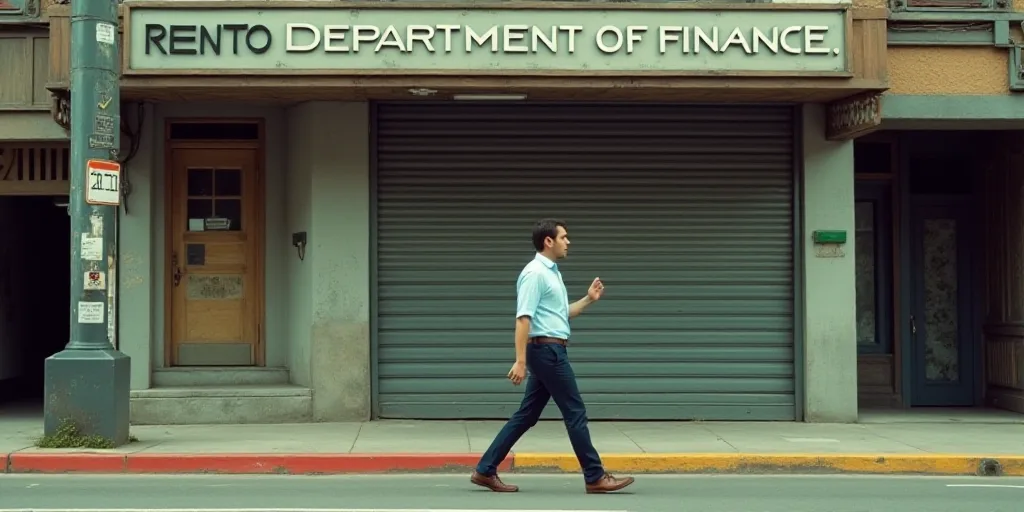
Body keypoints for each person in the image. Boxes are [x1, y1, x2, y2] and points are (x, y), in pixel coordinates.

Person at [470, 218, 635, 494]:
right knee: (575, 411)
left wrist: (588, 299)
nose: (568, 242)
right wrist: (520, 361)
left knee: (527, 415)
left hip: (549, 349)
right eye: (564, 237)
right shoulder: (535, 273)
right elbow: (523, 319)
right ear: (549, 241)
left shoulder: (552, 272)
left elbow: (560, 314)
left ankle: (485, 469)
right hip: (547, 351)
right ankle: (595, 476)